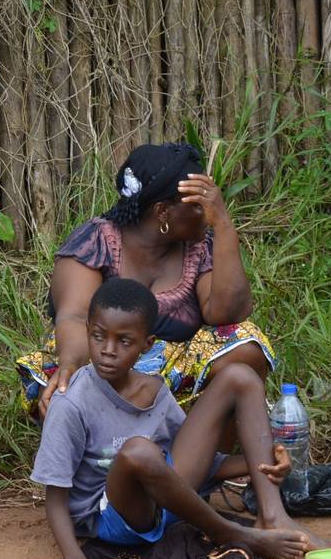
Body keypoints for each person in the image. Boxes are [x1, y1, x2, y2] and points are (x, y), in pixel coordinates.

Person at [30, 278, 321, 559]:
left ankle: (272, 514)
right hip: (113, 518)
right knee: (139, 452)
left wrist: (260, 466)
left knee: (241, 377)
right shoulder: (70, 403)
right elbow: (56, 497)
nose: (108, 351)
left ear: (146, 343)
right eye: (98, 336)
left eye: (124, 341)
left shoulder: (154, 389)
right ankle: (234, 533)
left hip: (171, 503)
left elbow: (188, 466)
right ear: (88, 331)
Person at [18, 142, 275, 421]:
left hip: (174, 385)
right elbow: (75, 317)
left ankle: (205, 456)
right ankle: (106, 451)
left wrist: (224, 226)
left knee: (246, 347)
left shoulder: (199, 247)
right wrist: (70, 368)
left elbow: (226, 314)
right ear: (163, 212)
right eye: (201, 206)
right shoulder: (96, 242)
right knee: (65, 387)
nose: (209, 214)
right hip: (101, 370)